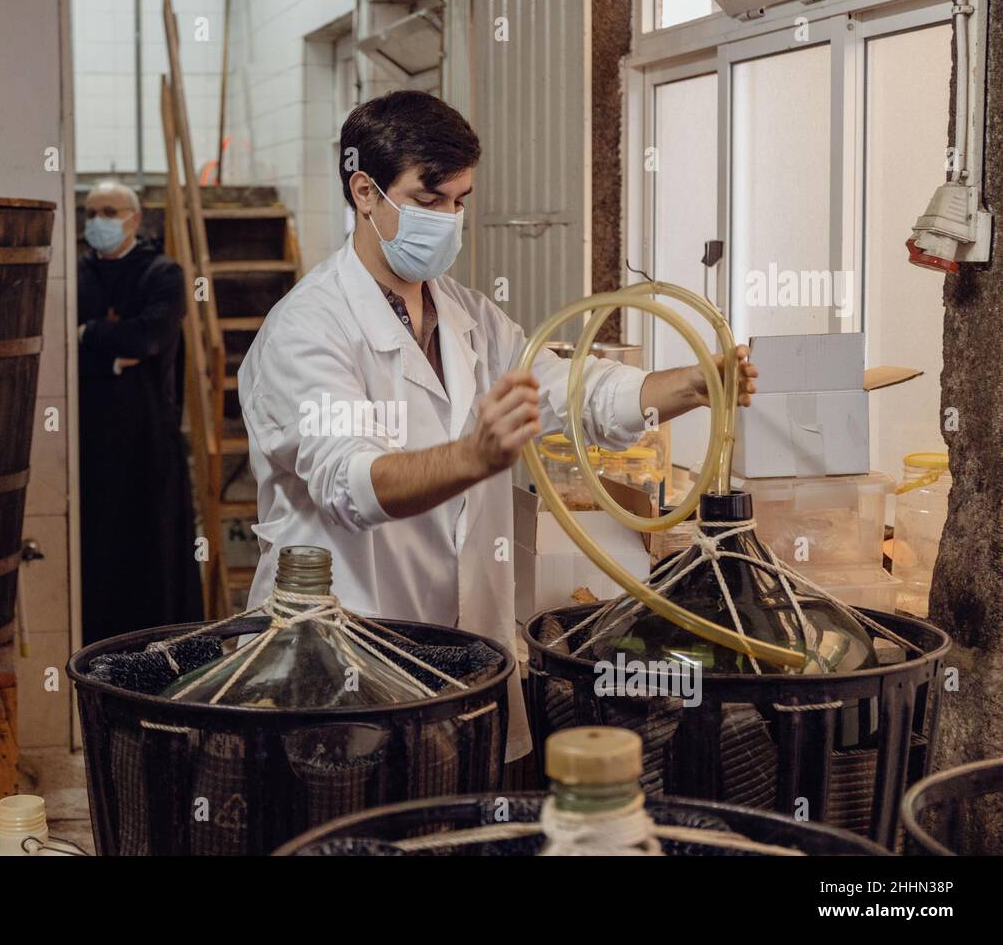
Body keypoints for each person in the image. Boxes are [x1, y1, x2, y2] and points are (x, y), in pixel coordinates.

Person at [237, 91, 757, 761]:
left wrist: (692, 384)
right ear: (365, 192)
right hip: (345, 659)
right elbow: (349, 483)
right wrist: (472, 456)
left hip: (465, 656)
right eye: (429, 202)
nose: (449, 221)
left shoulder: (469, 316)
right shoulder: (307, 330)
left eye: (460, 202)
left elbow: (579, 392)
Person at [77, 181, 203, 644]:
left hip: (149, 439)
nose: (97, 222)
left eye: (108, 211)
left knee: (153, 554)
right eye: (90, 213)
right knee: (99, 554)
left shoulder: (161, 272)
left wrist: (88, 335)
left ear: (134, 218)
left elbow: (148, 338)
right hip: (90, 438)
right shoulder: (79, 273)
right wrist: (108, 355)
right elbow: (66, 353)